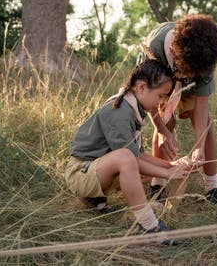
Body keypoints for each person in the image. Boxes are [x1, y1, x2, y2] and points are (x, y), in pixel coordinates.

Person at [64, 59, 191, 244]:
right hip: (79, 173)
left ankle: (94, 198)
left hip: (96, 169)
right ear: (141, 87)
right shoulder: (120, 112)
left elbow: (139, 157)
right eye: (161, 96)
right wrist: (167, 173)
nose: (162, 102)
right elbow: (130, 159)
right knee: (126, 158)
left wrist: (172, 165)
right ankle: (148, 226)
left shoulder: (132, 108)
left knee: (135, 163)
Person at [143, 14, 217, 204]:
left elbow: (202, 104)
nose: (192, 74)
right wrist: (162, 131)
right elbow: (149, 101)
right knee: (165, 122)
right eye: (188, 70)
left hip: (190, 90)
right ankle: (158, 183)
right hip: (162, 86)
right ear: (173, 51)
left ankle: (212, 187)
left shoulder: (205, 57)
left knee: (207, 126)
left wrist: (199, 147)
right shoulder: (154, 49)